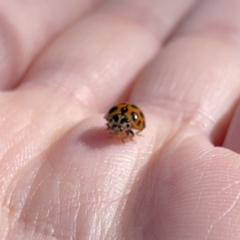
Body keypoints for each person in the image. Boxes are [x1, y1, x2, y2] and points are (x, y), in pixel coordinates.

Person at [1, 0, 240, 239]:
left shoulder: (126, 123)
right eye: (118, 128)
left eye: (119, 128)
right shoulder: (120, 124)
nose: (116, 131)